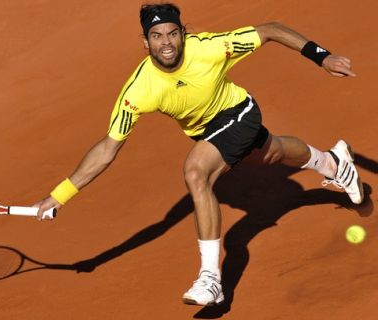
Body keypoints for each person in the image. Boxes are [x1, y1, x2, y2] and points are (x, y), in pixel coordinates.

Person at [34, 3, 363, 306]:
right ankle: (335, 163)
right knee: (272, 153)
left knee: (196, 172)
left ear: (183, 34)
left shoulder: (208, 48)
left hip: (239, 112)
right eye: (157, 35)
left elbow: (270, 29)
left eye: (173, 33)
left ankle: (211, 278)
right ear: (145, 43)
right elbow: (108, 148)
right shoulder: (139, 90)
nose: (166, 43)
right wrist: (60, 195)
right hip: (209, 131)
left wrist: (322, 56)